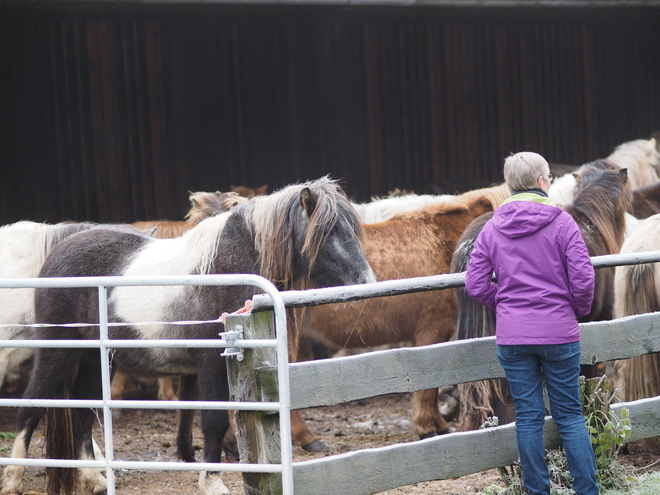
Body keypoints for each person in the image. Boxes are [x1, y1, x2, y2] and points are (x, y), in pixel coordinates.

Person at [465, 151, 599, 495]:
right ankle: (587, 490)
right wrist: (572, 310)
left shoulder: (492, 226)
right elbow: (584, 282)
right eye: (550, 176)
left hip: (513, 337)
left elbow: (476, 283)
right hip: (559, 333)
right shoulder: (563, 222)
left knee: (527, 419)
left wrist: (506, 304)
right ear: (542, 181)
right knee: (570, 416)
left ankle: (537, 491)